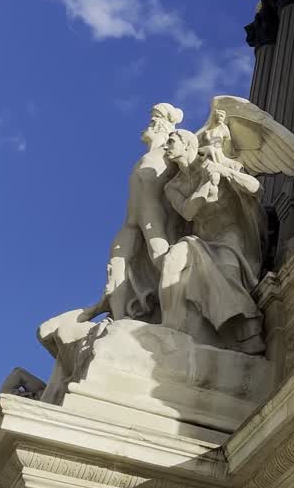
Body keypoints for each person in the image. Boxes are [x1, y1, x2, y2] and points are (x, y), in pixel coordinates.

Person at [156, 130, 267, 354]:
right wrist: (206, 187)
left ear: (187, 145)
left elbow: (257, 188)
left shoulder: (216, 159)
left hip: (230, 235)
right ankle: (169, 326)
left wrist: (223, 171)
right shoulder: (172, 187)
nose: (166, 147)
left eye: (171, 142)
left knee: (229, 275)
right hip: (201, 239)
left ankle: (247, 333)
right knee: (172, 260)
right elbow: (187, 212)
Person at [82, 103, 184, 322]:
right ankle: (118, 320)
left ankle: (176, 315)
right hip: (131, 221)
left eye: (152, 120)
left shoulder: (170, 152)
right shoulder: (145, 157)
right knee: (116, 266)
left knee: (161, 258)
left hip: (153, 215)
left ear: (161, 125)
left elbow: (192, 166)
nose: (147, 125)